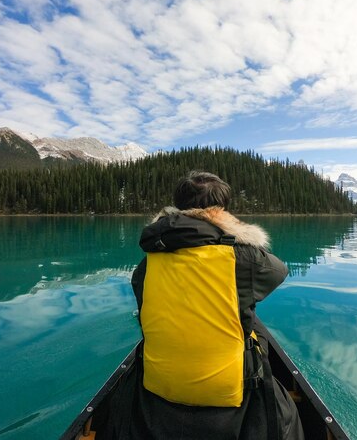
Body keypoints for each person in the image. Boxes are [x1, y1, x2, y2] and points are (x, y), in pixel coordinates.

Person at [104, 171, 304, 440]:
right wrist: (233, 233)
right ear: (220, 211)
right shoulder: (241, 257)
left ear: (178, 206)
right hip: (231, 399)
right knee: (287, 415)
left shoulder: (145, 266)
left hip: (156, 394)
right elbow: (278, 271)